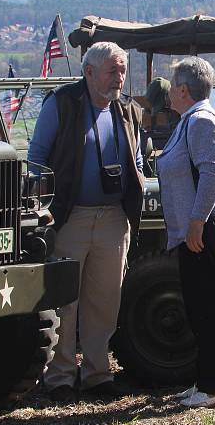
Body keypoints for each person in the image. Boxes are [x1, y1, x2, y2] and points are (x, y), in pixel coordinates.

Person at [28, 41, 145, 403]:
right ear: (89, 71)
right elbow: (37, 159)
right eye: (113, 70)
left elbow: (137, 161)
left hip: (113, 219)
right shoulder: (61, 104)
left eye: (123, 70)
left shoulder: (128, 111)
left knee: (105, 301)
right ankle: (61, 377)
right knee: (66, 302)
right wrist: (45, 209)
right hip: (70, 217)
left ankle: (97, 373)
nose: (119, 78)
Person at [156, 57, 215, 409]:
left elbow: (213, 174)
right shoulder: (190, 121)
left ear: (184, 90)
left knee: (211, 309)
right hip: (191, 233)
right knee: (200, 309)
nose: (169, 91)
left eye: (172, 86)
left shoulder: (201, 121)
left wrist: (196, 221)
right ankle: (204, 382)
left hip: (202, 234)